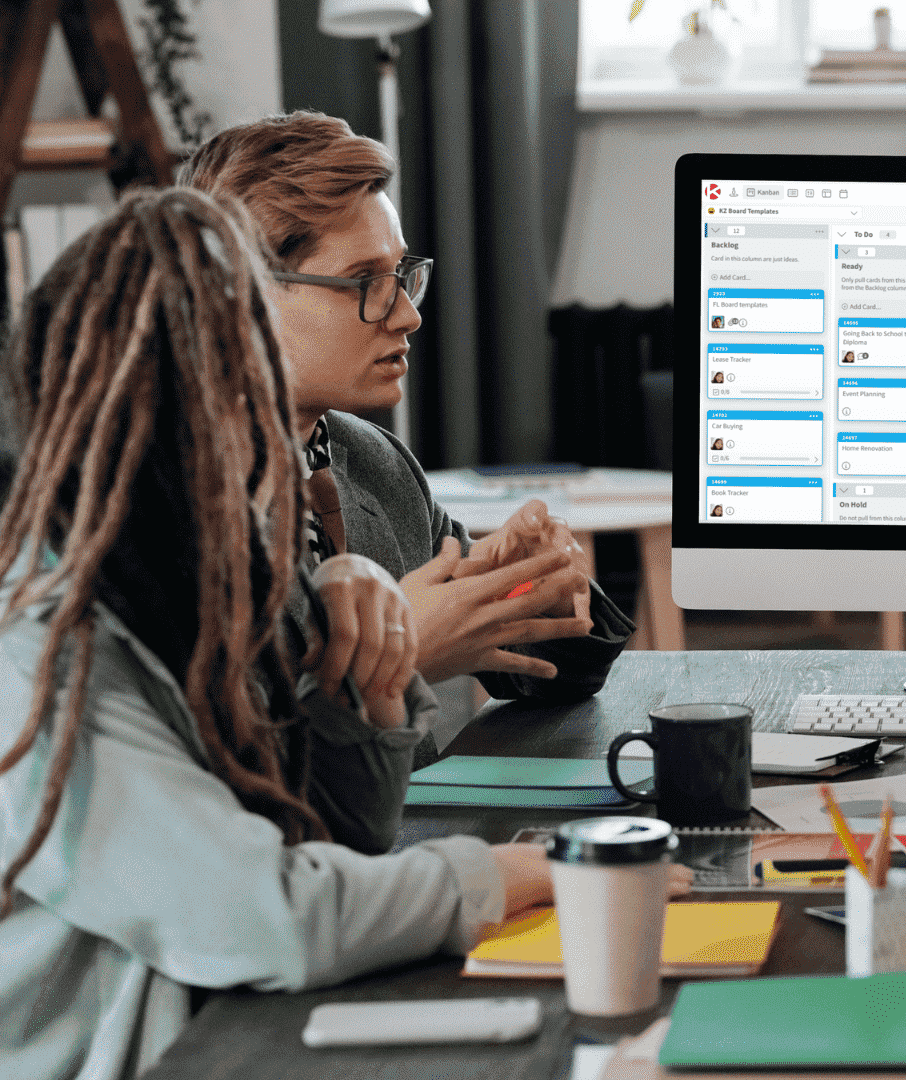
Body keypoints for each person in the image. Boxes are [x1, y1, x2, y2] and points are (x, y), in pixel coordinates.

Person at [0, 190, 558, 1080]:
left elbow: (344, 846)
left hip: (244, 1026)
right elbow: (268, 917)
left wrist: (365, 682)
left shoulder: (202, 574)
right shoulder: (39, 655)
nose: (279, 440)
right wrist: (513, 875)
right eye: (245, 399)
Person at [182, 113, 635, 743]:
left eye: (403, 278)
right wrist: (401, 651)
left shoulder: (376, 462)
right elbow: (205, 763)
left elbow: (545, 675)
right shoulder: (166, 494)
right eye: (365, 281)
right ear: (241, 291)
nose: (406, 315)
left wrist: (530, 585)